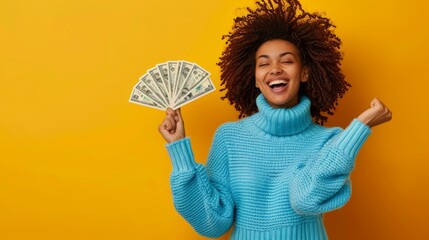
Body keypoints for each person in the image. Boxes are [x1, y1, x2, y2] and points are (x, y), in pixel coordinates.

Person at [158, 0, 392, 239]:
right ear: (257, 79)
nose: (275, 69)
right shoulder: (229, 137)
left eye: (287, 60)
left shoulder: (333, 142)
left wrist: (359, 127)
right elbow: (213, 224)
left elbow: (305, 199)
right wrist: (180, 154)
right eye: (264, 63)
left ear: (304, 72)